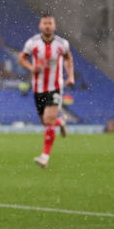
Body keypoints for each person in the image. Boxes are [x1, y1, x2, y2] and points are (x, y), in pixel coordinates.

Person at [18, 14, 74, 169]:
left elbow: (68, 58)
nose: (47, 26)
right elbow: (21, 58)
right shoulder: (32, 43)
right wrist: (31, 67)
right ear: (40, 26)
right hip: (38, 87)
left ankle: (44, 157)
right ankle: (60, 122)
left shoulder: (62, 44)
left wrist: (70, 76)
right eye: (45, 23)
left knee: (48, 119)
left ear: (54, 26)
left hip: (55, 86)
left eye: (50, 23)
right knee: (45, 121)